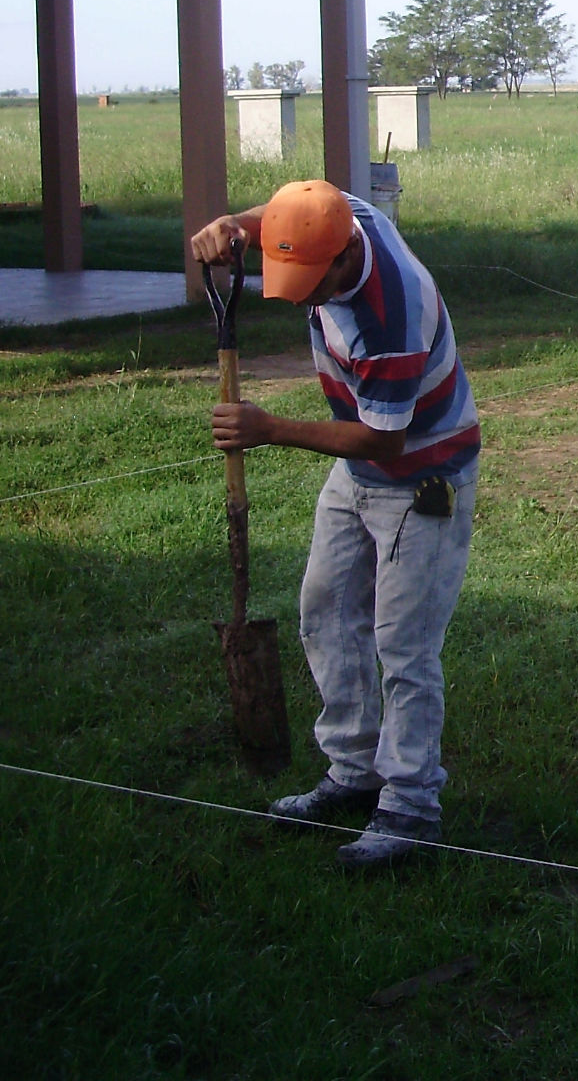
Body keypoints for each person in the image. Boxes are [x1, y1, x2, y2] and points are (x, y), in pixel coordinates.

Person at [189, 180, 480, 867]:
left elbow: (384, 440)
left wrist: (268, 429)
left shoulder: (391, 316)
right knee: (324, 611)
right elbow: (288, 212)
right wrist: (236, 222)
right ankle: (354, 771)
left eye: (312, 286)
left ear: (347, 254)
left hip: (421, 473)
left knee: (404, 645)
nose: (303, 301)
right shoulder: (347, 216)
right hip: (358, 469)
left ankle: (410, 806)